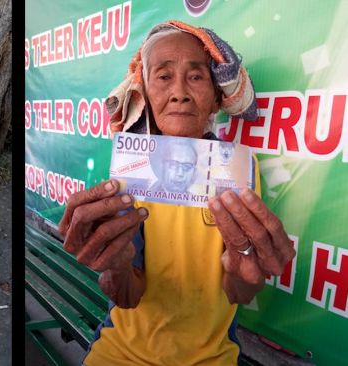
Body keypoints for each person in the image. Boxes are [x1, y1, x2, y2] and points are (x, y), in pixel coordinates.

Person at [58, 21, 296, 365]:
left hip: (211, 357)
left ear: (217, 99)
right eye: (164, 76)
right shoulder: (131, 170)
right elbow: (127, 297)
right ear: (144, 95)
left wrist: (247, 273)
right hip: (121, 352)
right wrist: (114, 268)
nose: (180, 92)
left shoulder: (237, 170)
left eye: (196, 77)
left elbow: (238, 290)